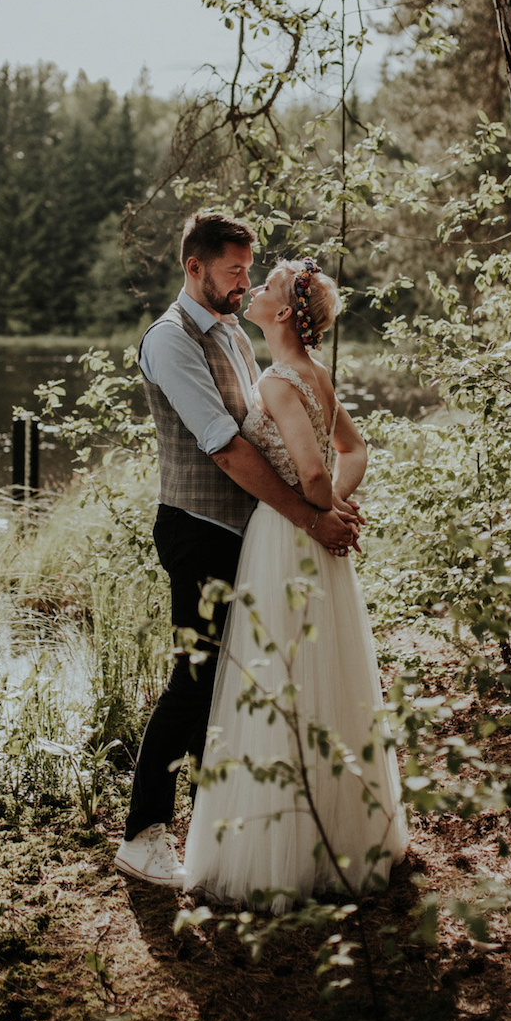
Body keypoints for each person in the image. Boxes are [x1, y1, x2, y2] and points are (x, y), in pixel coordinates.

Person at [114, 215, 359, 887]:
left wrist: (325, 504)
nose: (242, 281)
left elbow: (281, 432)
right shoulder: (171, 340)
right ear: (194, 267)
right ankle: (142, 834)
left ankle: (219, 829)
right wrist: (312, 519)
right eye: (232, 271)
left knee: (229, 685)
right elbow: (225, 447)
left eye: (249, 272)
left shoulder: (230, 329)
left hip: (249, 536)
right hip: (196, 530)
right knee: (193, 681)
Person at [181, 258, 408, 913]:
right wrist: (338, 505)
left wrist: (321, 507)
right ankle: (346, 832)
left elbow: (313, 470)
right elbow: (356, 452)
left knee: (281, 676)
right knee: (326, 677)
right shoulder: (318, 375)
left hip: (287, 539)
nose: (253, 289)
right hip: (318, 543)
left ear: (282, 313)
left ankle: (282, 850)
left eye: (267, 285)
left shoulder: (281, 382)